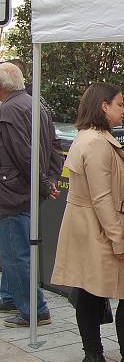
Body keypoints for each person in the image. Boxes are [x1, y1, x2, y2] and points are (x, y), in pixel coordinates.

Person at [49, 83, 124, 362]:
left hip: (91, 226)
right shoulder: (95, 142)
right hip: (101, 227)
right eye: (120, 104)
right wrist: (119, 239)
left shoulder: (90, 137)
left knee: (92, 291)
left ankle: (94, 356)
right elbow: (102, 198)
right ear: (104, 106)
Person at [0, 62, 61, 327]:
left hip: (12, 192)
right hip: (26, 190)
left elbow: (25, 156)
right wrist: (50, 180)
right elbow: (55, 147)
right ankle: (11, 296)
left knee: (15, 252)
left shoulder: (9, 110)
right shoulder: (35, 105)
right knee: (14, 249)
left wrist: (45, 183)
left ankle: (34, 309)